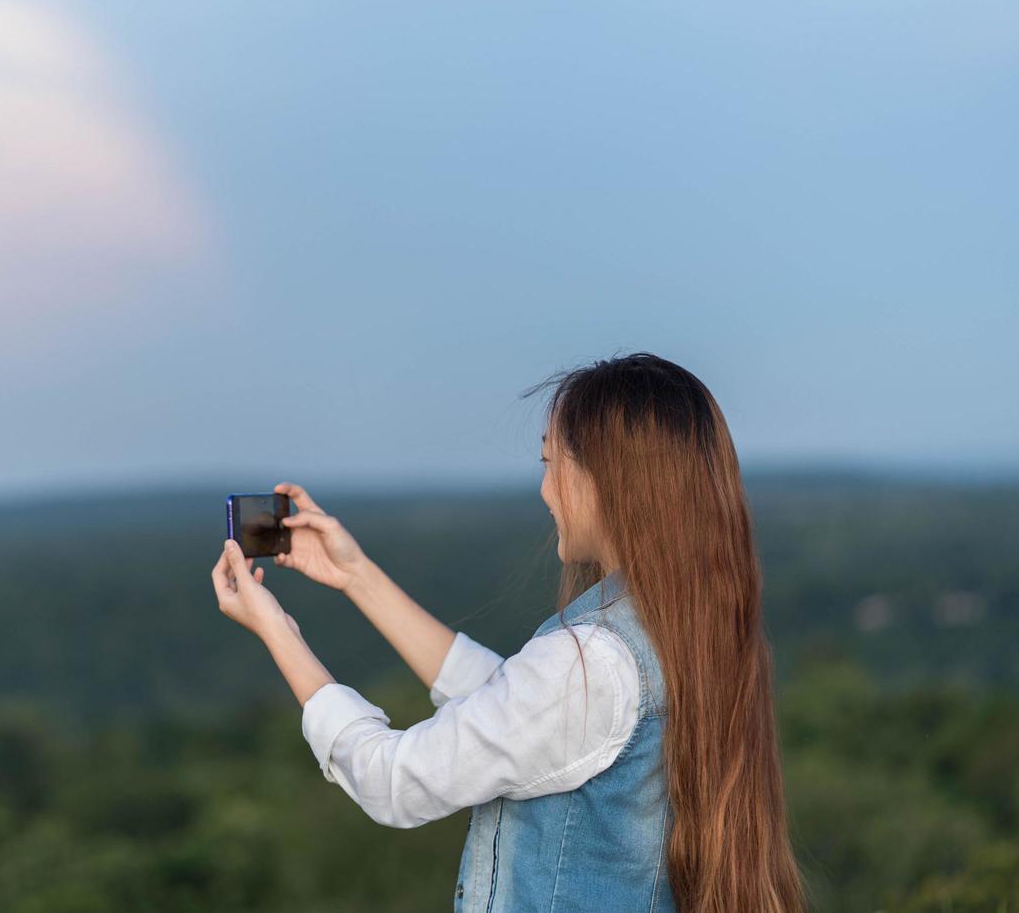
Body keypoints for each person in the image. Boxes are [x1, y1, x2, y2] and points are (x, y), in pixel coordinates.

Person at [211, 353, 804, 913]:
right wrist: (357, 576)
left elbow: (393, 781)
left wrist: (277, 630)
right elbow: (510, 702)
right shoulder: (680, 625)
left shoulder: (593, 659)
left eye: (550, 463)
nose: (545, 490)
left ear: (609, 479)